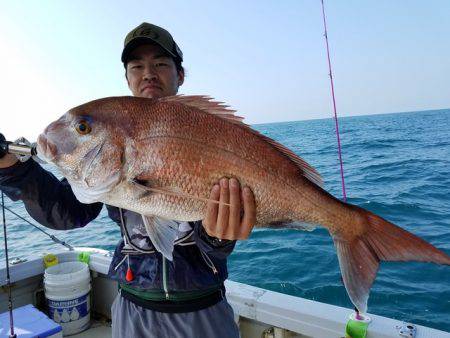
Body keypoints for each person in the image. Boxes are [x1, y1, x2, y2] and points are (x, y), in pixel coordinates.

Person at [0, 22, 256, 338]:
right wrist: (13, 168)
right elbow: (67, 211)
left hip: (202, 308)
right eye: (137, 66)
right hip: (133, 308)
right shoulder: (113, 138)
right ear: (128, 78)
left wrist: (219, 236)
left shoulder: (207, 130)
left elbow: (215, 245)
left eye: (161, 64)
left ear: (180, 75)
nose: (148, 73)